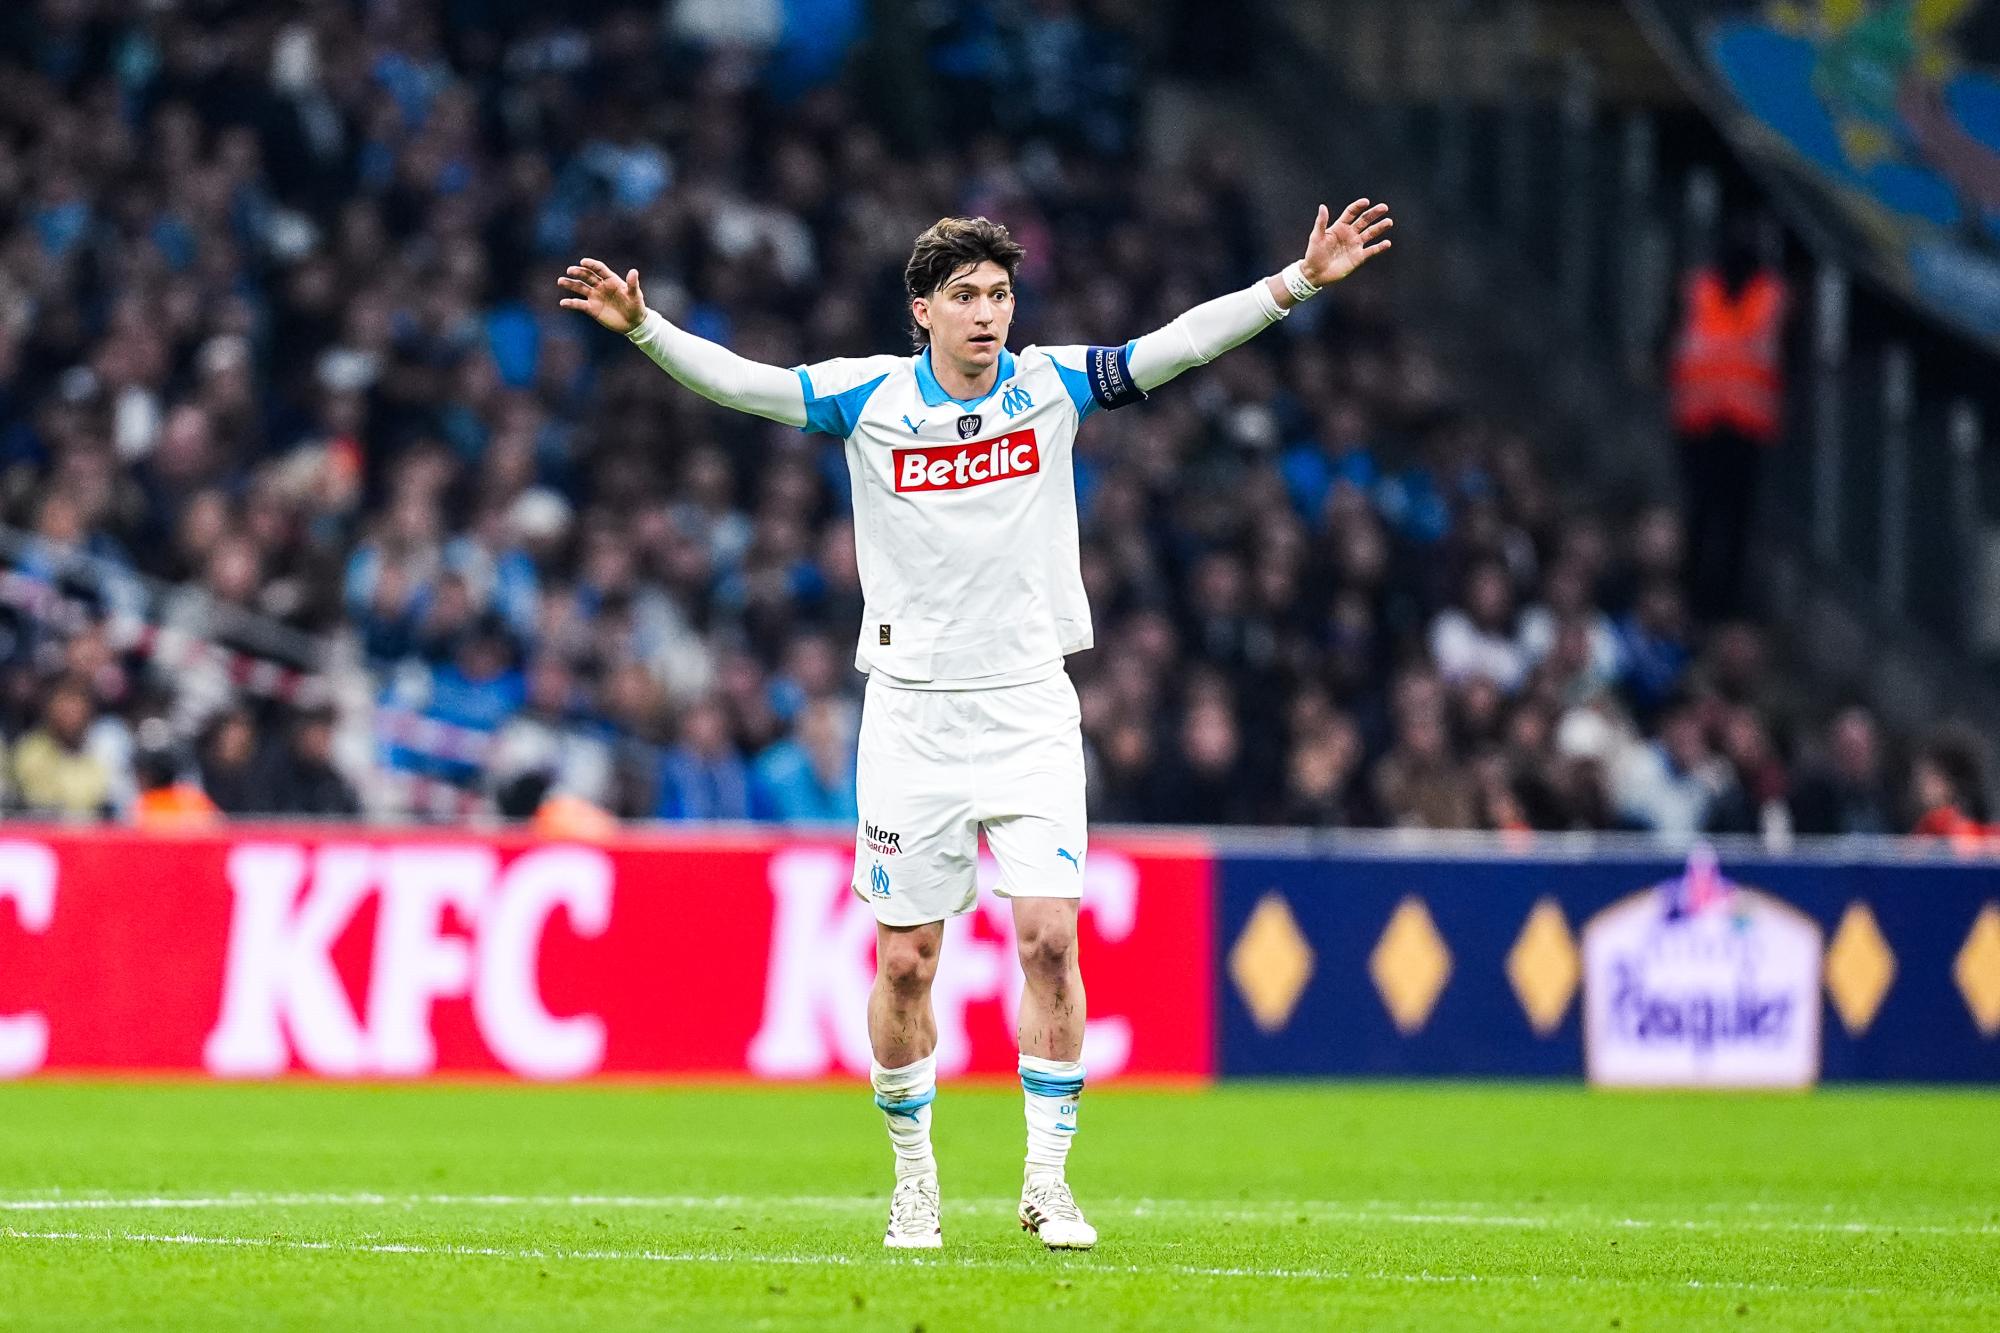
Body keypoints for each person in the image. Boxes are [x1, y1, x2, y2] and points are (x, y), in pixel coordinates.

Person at [558, 197, 1393, 1250]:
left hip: (1028, 704)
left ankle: (1047, 1181)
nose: (987, 313)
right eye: (965, 296)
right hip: (910, 716)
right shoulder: (867, 398)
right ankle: (915, 1181)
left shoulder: (1046, 385)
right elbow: (749, 386)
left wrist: (1298, 281)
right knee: (906, 960)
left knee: (1048, 937)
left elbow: (1173, 347)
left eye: (999, 293)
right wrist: (644, 327)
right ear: (924, 310)